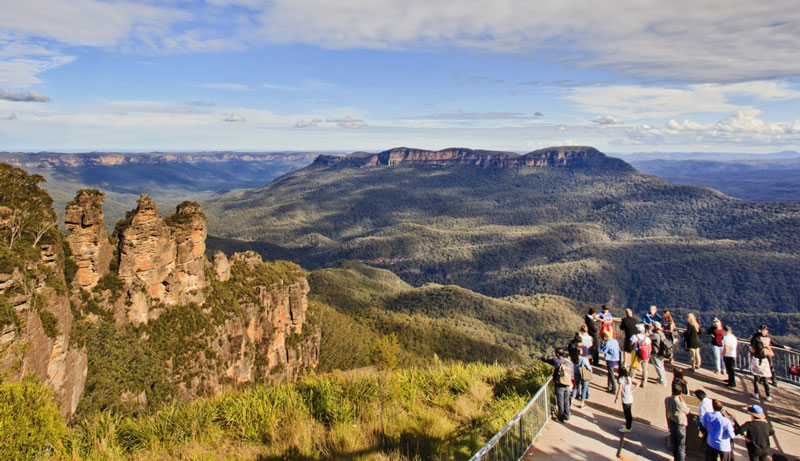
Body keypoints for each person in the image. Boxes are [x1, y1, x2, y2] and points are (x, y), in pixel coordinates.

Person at [542, 348, 573, 422]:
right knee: (566, 400)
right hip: (567, 382)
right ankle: (567, 415)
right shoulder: (568, 361)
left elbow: (547, 360)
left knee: (560, 401)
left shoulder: (556, 361)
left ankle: (560, 417)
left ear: (557, 354)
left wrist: (541, 358)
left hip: (559, 383)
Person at [665, 389, 690, 461]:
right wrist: (682, 401)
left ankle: (675, 458)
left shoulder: (668, 399)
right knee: (681, 447)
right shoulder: (680, 404)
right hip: (680, 425)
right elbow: (687, 411)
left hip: (672, 422)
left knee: (674, 444)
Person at [615, 366, 635, 433]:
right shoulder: (629, 378)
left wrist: (616, 397)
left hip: (625, 398)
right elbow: (637, 383)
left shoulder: (621, 379)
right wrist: (632, 391)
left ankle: (628, 427)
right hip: (630, 397)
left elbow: (619, 389)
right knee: (628, 412)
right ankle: (628, 425)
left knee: (627, 413)